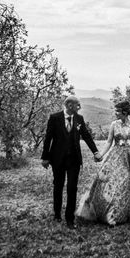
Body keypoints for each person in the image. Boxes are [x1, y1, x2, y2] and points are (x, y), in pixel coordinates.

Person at [42, 95, 99, 229]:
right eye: (78, 105)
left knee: (72, 188)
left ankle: (69, 219)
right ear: (69, 106)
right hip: (57, 159)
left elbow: (86, 135)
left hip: (74, 160)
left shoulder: (79, 119)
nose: (80, 107)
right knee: (58, 186)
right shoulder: (55, 118)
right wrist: (45, 157)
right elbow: (48, 138)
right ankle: (57, 214)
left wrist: (95, 151)